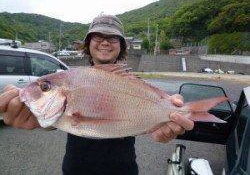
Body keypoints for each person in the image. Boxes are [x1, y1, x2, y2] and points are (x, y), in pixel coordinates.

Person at [0, 14, 194, 175]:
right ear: (87, 44)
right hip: (77, 168)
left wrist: (162, 126)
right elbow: (60, 119)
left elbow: (146, 119)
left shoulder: (134, 84)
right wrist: (34, 117)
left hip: (123, 169)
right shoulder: (71, 78)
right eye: (97, 36)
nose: (105, 42)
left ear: (122, 46)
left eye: (112, 38)